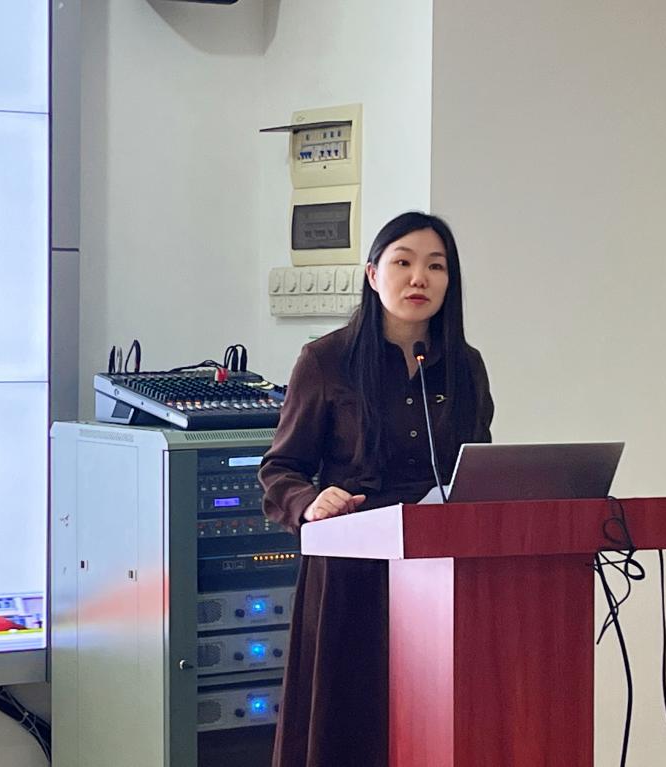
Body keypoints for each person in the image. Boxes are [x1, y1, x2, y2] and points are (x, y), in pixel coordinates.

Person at [258, 211, 495, 767]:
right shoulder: (326, 360)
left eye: (436, 266)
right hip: (352, 572)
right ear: (372, 274)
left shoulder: (465, 366)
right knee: (353, 729)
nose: (419, 278)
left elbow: (477, 470)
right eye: (403, 262)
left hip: (441, 573)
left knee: (436, 723)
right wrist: (310, 502)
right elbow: (280, 469)